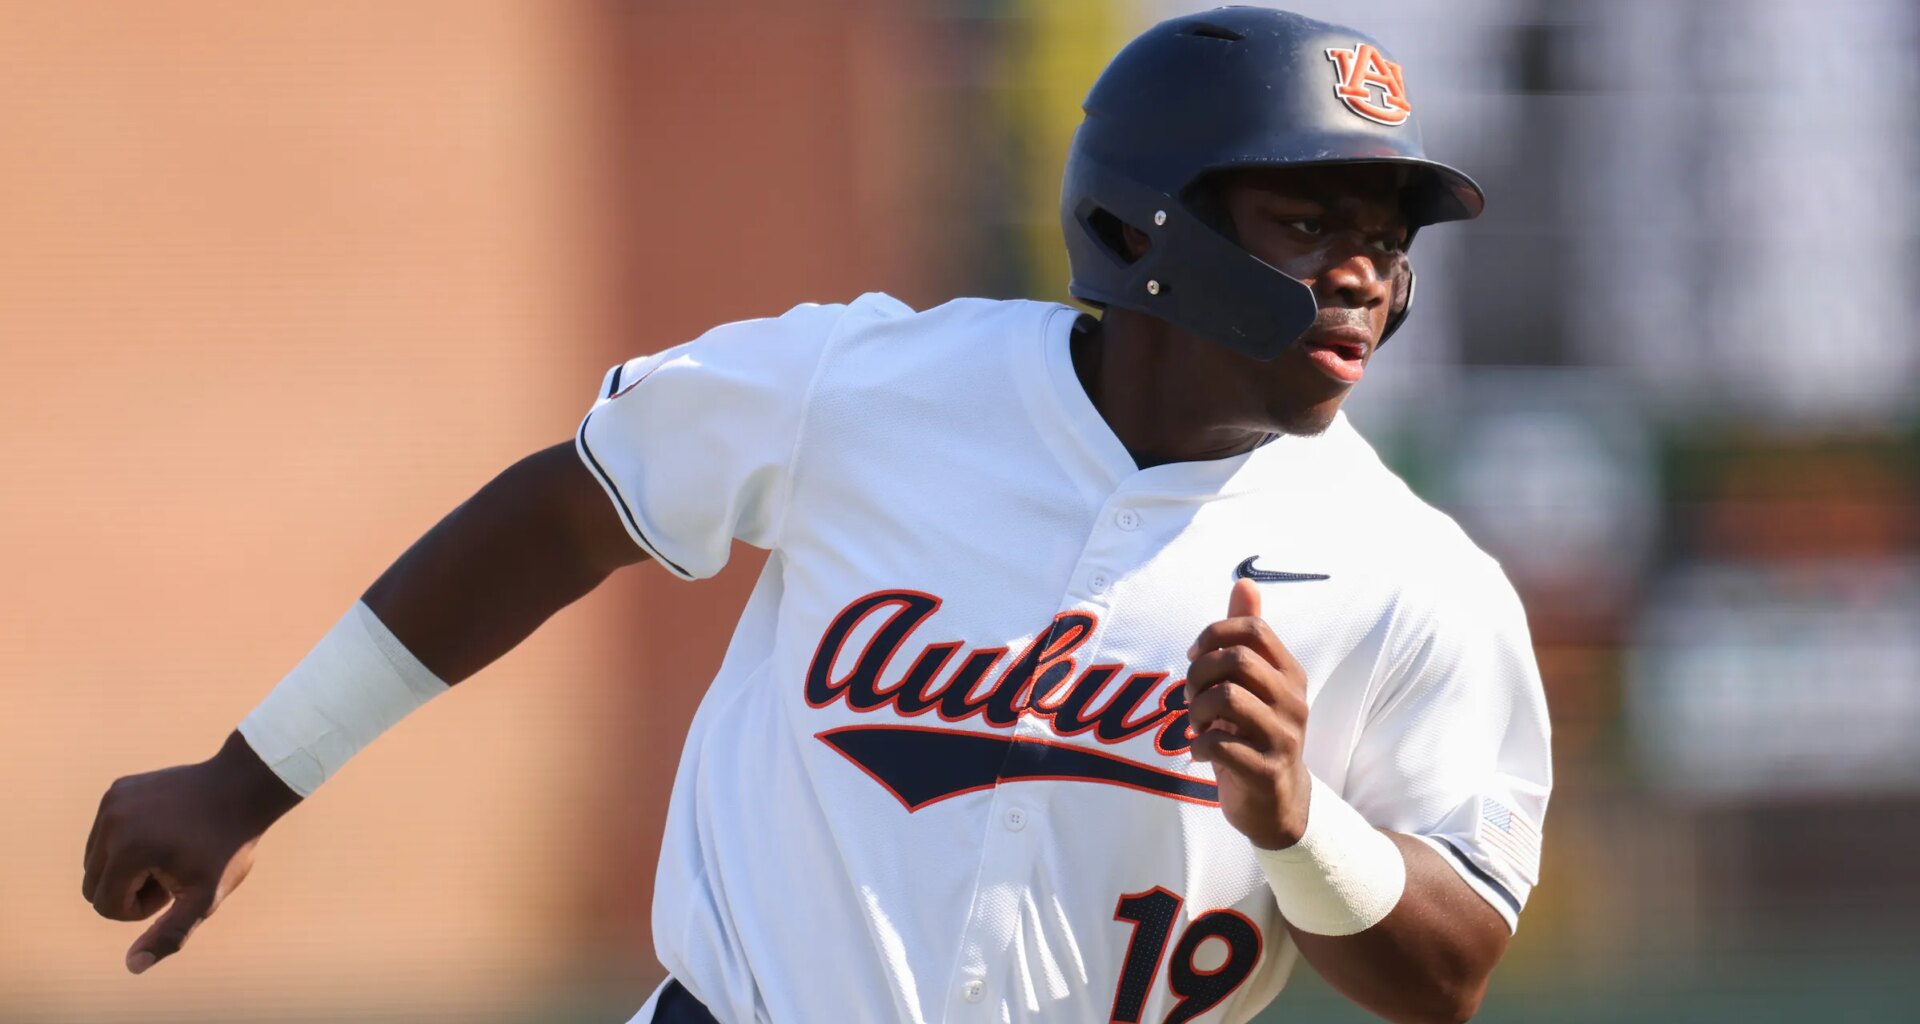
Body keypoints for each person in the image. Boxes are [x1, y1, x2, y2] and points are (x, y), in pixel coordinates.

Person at [81, 7, 1550, 1023]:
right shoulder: (866, 387)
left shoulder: (1414, 580)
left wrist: (1303, 831)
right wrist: (246, 779)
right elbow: (566, 512)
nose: (1362, 273)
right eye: (1308, 222)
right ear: (1138, 225)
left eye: (1384, 239)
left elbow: (1453, 973)